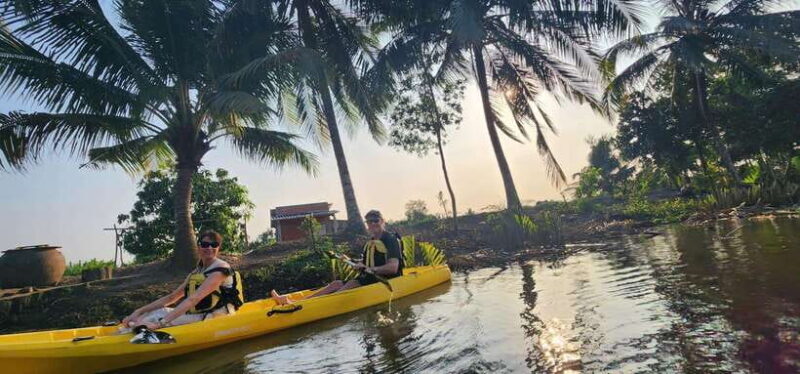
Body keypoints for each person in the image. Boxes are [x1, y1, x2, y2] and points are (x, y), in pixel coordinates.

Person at [119, 230, 243, 332]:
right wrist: (139, 311)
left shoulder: (220, 270)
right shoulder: (197, 272)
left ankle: (124, 337)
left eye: (214, 245)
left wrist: (160, 323)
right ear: (199, 246)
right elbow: (172, 297)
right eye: (205, 244)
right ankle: (124, 331)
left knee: (156, 317)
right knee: (152, 313)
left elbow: (194, 298)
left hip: (217, 316)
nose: (209, 248)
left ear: (218, 248)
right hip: (202, 313)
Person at [271, 210, 403, 305]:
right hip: (370, 277)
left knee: (349, 284)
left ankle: (301, 306)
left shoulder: (390, 239)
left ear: (382, 221)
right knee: (336, 283)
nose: (373, 223)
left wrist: (369, 268)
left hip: (388, 280)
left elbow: (393, 267)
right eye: (369, 221)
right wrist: (353, 262)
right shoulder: (371, 241)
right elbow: (366, 263)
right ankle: (295, 301)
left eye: (376, 220)